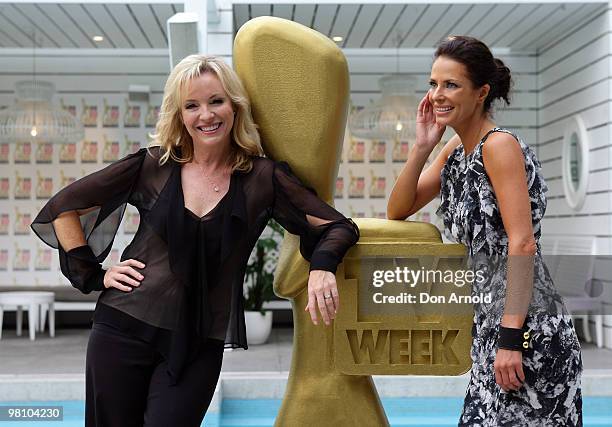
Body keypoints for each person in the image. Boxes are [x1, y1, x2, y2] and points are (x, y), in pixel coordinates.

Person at [31, 55, 359, 427]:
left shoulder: (262, 179)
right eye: (192, 105)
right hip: (123, 327)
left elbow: (338, 226)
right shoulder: (153, 166)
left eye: (216, 101)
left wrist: (322, 268)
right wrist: (95, 274)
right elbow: (63, 208)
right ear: (180, 114)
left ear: (235, 106)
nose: (206, 115)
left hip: (198, 344)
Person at [387, 36, 582, 426]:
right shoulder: (454, 152)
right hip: (489, 328)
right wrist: (423, 146)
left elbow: (522, 242)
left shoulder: (499, 146)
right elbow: (398, 209)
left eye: (451, 84)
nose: (437, 95)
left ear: (481, 93)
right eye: (433, 84)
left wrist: (511, 339)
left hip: (526, 330)